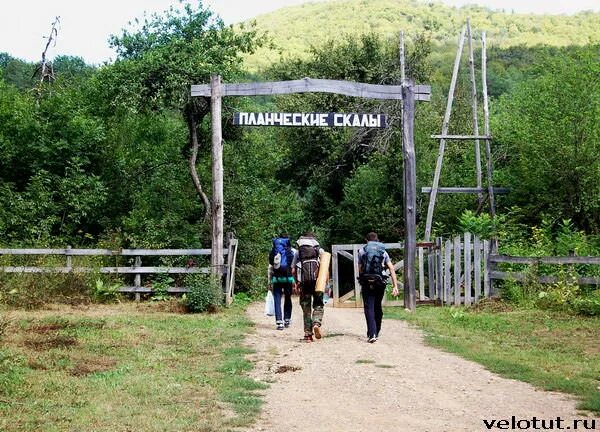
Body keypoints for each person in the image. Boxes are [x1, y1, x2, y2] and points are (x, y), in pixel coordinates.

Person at [357, 232, 399, 343]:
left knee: (368, 307)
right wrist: (395, 286)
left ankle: (372, 333)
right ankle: (377, 330)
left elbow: (360, 269)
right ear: (378, 240)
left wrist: (363, 279)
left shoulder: (362, 251)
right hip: (380, 282)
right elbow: (391, 268)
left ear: (367, 240)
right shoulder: (383, 251)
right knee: (377, 306)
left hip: (366, 282)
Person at [292, 232, 325, 342]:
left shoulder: (298, 252)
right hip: (318, 282)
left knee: (306, 308)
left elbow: (293, 269)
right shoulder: (320, 251)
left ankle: (308, 334)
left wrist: (296, 283)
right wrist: (326, 284)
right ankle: (316, 323)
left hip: (304, 283)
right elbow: (325, 268)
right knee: (318, 304)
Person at [268, 234, 296, 330]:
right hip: (288, 278)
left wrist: (269, 281)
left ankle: (279, 322)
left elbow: (271, 263)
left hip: (277, 278)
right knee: (288, 297)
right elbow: (293, 265)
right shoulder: (291, 251)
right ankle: (287, 319)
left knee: (277, 298)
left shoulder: (274, 250)